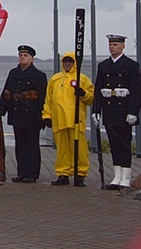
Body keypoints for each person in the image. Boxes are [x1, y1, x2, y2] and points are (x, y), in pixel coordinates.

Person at [92, 34, 141, 190]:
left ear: (123, 46)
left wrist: (133, 111)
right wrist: (96, 110)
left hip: (124, 110)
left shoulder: (130, 65)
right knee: (114, 144)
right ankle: (116, 176)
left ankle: (126, 177)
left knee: (124, 144)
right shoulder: (103, 66)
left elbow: (138, 90)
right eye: (110, 44)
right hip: (109, 109)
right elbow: (98, 89)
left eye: (115, 44)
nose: (112, 47)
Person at [0, 45, 47, 183]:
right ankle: (22, 172)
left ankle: (32, 173)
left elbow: (43, 98)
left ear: (32, 58)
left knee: (32, 146)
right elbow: (7, 92)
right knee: (20, 146)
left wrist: (42, 117)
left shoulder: (39, 76)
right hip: (17, 114)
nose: (22, 57)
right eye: (20, 55)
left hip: (31, 115)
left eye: (25, 56)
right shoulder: (13, 73)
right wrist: (2, 109)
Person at [42, 52, 94, 187]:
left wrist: (83, 93)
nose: (67, 64)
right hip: (59, 120)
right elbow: (48, 99)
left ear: (75, 63)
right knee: (62, 149)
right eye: (65, 61)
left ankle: (80, 174)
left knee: (80, 149)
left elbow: (91, 98)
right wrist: (46, 115)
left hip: (76, 120)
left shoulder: (82, 79)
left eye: (70, 62)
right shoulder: (55, 79)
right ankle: (63, 174)